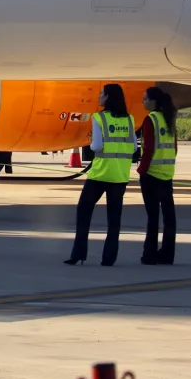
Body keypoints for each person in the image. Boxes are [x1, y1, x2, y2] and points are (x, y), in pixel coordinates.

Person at [64, 84, 136, 266]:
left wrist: (90, 142)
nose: (99, 97)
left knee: (84, 211)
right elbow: (134, 146)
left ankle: (79, 253)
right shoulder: (129, 119)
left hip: (100, 173)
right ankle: (109, 258)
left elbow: (96, 146)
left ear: (108, 97)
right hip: (120, 174)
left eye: (102, 94)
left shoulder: (99, 118)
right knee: (114, 218)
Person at [139, 86, 178, 265]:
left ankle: (150, 254)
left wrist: (142, 170)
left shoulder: (151, 119)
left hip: (152, 174)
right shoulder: (169, 118)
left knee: (153, 216)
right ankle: (168, 254)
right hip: (167, 173)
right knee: (169, 216)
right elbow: (174, 148)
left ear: (153, 101)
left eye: (145, 99)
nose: (143, 102)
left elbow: (148, 149)